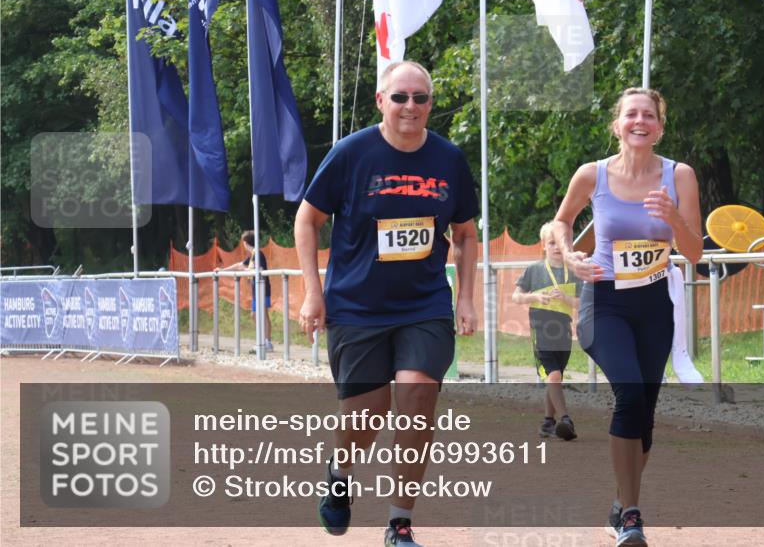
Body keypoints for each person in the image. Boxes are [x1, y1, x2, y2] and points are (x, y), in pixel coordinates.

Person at [294, 61, 479, 547]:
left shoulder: (448, 159)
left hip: (425, 304)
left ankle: (399, 521)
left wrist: (467, 299)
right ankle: (340, 471)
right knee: (367, 413)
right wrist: (314, 291)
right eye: (400, 97)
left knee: (417, 398)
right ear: (381, 101)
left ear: (430, 105)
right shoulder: (351, 154)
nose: (410, 107)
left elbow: (464, 233)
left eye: (420, 98)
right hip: (356, 306)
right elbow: (307, 220)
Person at [552, 87, 703, 546]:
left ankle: (620, 504)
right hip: (605, 300)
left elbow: (694, 252)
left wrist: (674, 218)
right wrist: (570, 256)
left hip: (655, 303)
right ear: (617, 124)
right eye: (631, 115)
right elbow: (560, 222)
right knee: (630, 395)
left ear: (660, 125)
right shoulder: (591, 175)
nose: (640, 122)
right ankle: (633, 516)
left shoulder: (680, 176)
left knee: (646, 414)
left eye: (649, 115)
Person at [512, 221, 583, 440]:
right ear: (544, 246)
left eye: (560, 243)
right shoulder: (534, 269)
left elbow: (582, 303)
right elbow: (516, 296)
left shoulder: (574, 272)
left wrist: (566, 299)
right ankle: (565, 420)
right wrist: (535, 297)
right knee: (553, 375)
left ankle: (547, 422)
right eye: (551, 243)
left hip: (562, 330)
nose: (555, 247)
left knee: (556, 377)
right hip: (540, 329)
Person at [222, 230, 273, 352]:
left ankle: (267, 342)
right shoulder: (252, 256)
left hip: (262, 287)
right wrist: (222, 270)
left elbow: (257, 269)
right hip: (255, 289)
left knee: (263, 314)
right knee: (254, 315)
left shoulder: (258, 254)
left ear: (245, 242)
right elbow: (239, 265)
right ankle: (262, 339)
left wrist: (245, 271)